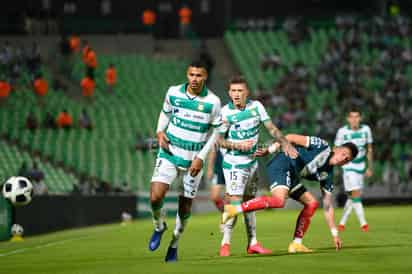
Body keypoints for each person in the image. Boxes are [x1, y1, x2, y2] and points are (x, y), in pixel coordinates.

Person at [223, 134, 358, 253]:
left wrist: (335, 234)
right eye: (343, 153)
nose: (343, 158)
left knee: (312, 203)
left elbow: (328, 206)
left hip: (292, 176)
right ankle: (234, 209)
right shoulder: (322, 146)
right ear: (337, 148)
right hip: (282, 164)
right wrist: (270, 149)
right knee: (280, 201)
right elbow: (290, 137)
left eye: (347, 159)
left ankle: (296, 244)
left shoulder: (327, 175)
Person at [148, 61, 221, 262]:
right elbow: (165, 113)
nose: (195, 79)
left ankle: (174, 244)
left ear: (205, 77)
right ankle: (159, 226)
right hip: (169, 153)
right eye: (191, 74)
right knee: (155, 197)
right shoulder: (173, 92)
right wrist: (160, 131)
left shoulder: (213, 102)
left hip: (193, 162)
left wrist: (200, 158)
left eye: (199, 75)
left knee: (184, 207)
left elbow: (216, 133)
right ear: (187, 74)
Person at [217, 75, 297, 256]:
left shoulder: (257, 106)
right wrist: (238, 145)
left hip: (252, 163)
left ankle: (252, 243)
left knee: (249, 203)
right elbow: (219, 140)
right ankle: (225, 244)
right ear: (229, 93)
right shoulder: (225, 112)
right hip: (234, 163)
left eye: (240, 91)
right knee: (236, 202)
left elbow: (271, 128)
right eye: (233, 91)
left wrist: (284, 142)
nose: (236, 94)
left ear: (247, 92)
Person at [335, 109, 373, 232]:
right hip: (348, 167)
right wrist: (339, 162)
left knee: (353, 197)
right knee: (356, 195)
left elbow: (369, 149)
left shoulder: (366, 130)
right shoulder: (342, 131)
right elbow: (336, 148)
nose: (354, 119)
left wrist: (369, 167)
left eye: (357, 117)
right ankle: (363, 223)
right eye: (352, 117)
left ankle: (342, 223)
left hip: (361, 166)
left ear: (360, 118)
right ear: (348, 119)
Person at [206, 146, 225, 212]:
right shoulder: (219, 137)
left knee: (230, 197)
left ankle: (229, 218)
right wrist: (210, 168)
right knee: (214, 197)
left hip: (232, 169)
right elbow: (213, 152)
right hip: (219, 170)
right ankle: (226, 213)